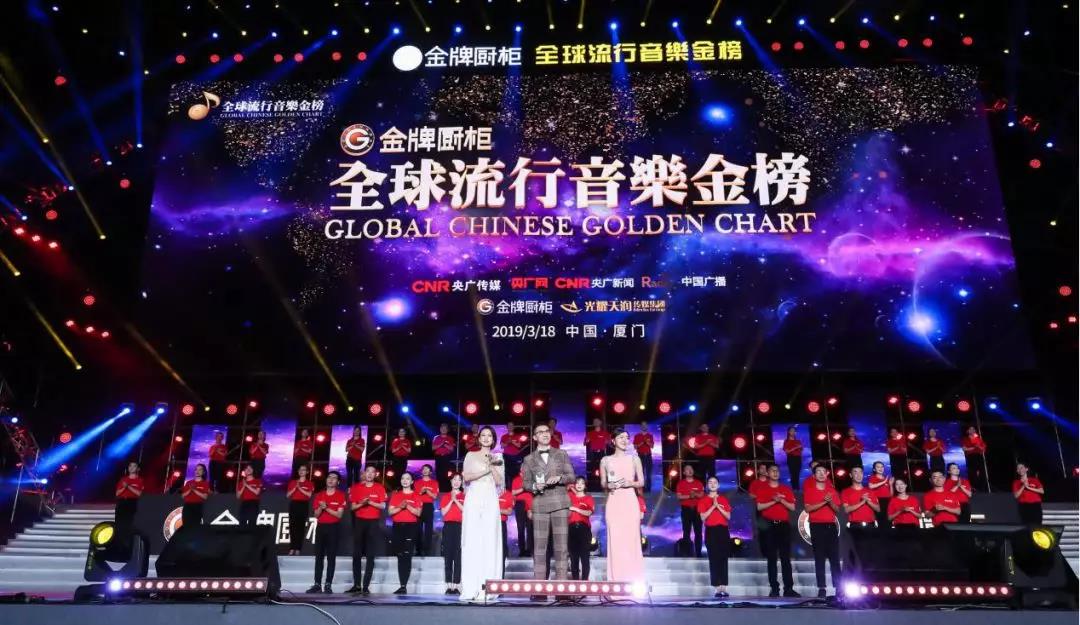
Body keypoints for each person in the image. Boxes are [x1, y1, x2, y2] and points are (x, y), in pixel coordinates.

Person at [521, 423, 575, 599]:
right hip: (540, 504)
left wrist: (559, 478)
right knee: (539, 548)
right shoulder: (528, 459)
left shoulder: (561, 454)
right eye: (540, 432)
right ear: (534, 437)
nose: (545, 434)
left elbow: (571, 476)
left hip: (560, 503)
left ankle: (562, 590)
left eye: (547, 431)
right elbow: (526, 484)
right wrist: (535, 486)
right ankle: (539, 589)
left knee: (561, 547)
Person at [460, 426, 505, 602]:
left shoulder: (498, 457)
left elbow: (499, 481)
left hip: (490, 497)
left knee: (489, 539)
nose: (486, 438)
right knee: (473, 539)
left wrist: (492, 465)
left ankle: (487, 587)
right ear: (479, 439)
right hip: (474, 496)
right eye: (483, 435)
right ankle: (470, 586)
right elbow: (466, 477)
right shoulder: (470, 455)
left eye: (489, 436)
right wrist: (486, 469)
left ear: (493, 440)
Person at [601, 429, 646, 583]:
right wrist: (608, 484)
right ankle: (615, 579)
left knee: (632, 539)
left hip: (630, 501)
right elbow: (603, 483)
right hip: (614, 501)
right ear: (613, 441)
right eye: (621, 437)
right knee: (615, 540)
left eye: (627, 437)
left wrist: (630, 483)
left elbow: (641, 481)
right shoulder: (605, 460)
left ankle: (634, 579)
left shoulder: (634, 459)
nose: (624, 440)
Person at [754, 464, 798, 597]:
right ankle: (774, 588)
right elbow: (759, 507)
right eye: (772, 471)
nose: (775, 473)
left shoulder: (785, 489)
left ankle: (788, 588)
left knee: (786, 558)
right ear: (767, 473)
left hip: (783, 526)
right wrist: (774, 501)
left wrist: (781, 500)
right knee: (772, 558)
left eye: (777, 471)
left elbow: (792, 507)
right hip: (769, 526)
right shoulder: (763, 489)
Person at [803, 464, 842, 598]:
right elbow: (808, 509)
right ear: (814, 475)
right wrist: (824, 502)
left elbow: (837, 510)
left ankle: (839, 588)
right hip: (816, 527)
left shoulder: (832, 491)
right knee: (819, 558)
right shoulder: (809, 491)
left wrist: (830, 502)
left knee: (834, 558)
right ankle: (822, 588)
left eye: (823, 472)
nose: (821, 474)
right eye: (818, 472)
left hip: (831, 527)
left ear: (826, 475)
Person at [347, 465, 386, 594]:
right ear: (364, 473)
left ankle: (365, 586)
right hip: (359, 522)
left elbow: (383, 506)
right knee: (356, 554)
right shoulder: (356, 488)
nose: (369, 474)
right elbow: (352, 507)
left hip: (373, 522)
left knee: (370, 554)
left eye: (372, 472)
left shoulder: (379, 488)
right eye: (367, 471)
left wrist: (370, 503)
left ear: (375, 475)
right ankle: (357, 584)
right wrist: (362, 504)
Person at [307, 471, 346, 594]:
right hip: (321, 528)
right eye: (329, 477)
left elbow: (339, 515)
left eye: (334, 478)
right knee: (319, 557)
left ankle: (328, 584)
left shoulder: (340, 495)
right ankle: (317, 584)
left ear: (338, 482)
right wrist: (320, 507)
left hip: (333, 528)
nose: (331, 480)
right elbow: (316, 515)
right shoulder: (319, 495)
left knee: (331, 557)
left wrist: (326, 508)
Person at [697, 475, 731, 598]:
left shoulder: (724, 499)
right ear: (707, 485)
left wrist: (718, 507)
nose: (712, 484)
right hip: (711, 531)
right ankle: (717, 588)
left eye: (715, 482)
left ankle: (724, 587)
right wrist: (713, 506)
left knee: (723, 558)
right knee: (714, 558)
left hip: (723, 531)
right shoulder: (703, 500)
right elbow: (703, 517)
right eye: (710, 482)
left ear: (718, 485)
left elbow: (728, 516)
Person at [388, 472, 422, 594]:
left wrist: (407, 506)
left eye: (408, 479)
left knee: (407, 555)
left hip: (411, 527)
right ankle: (402, 584)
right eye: (403, 478)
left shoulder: (416, 495)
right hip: (397, 527)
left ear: (412, 482)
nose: (405, 480)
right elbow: (390, 512)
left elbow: (418, 513)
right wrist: (400, 507)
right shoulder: (396, 495)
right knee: (400, 555)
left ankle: (403, 586)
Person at [440, 473, 466, 594]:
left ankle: (456, 585)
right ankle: (448, 585)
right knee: (448, 556)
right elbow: (443, 512)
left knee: (458, 556)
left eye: (459, 480)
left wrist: (456, 500)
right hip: (448, 527)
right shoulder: (446, 496)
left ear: (461, 482)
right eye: (454, 479)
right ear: (451, 482)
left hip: (460, 527)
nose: (456, 482)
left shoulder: (464, 496)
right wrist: (452, 500)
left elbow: (465, 511)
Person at [567, 476, 594, 581]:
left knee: (585, 557)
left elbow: (589, 512)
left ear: (585, 486)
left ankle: (585, 582)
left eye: (582, 483)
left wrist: (576, 509)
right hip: (571, 529)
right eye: (577, 483)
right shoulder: (570, 496)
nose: (579, 485)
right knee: (573, 558)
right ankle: (575, 583)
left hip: (584, 529)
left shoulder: (588, 498)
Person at [676, 464, 704, 557]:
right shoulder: (681, 483)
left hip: (697, 510)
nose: (690, 470)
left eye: (691, 469)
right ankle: (687, 553)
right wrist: (689, 496)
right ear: (684, 472)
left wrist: (695, 494)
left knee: (698, 532)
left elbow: (701, 495)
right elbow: (679, 496)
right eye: (687, 469)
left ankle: (699, 553)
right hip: (686, 510)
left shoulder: (698, 483)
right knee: (686, 531)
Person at [286, 465, 314, 555]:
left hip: (303, 505)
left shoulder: (309, 483)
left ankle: (298, 548)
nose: (301, 471)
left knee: (300, 527)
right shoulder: (293, 482)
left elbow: (309, 495)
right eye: (300, 470)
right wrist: (295, 488)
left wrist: (300, 488)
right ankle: (292, 548)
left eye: (303, 470)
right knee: (292, 526)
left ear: (307, 472)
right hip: (294, 505)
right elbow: (288, 495)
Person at [114, 461, 144, 538]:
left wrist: (128, 486)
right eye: (130, 466)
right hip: (122, 502)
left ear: (138, 469)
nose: (131, 468)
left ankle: (129, 540)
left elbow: (140, 494)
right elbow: (117, 493)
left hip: (133, 502)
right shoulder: (123, 479)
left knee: (130, 523)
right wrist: (124, 487)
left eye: (134, 466)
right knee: (119, 523)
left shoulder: (140, 480)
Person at [415, 465, 439, 556]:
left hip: (428, 506)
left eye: (427, 469)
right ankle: (418, 550)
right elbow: (415, 496)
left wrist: (427, 491)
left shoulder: (434, 483)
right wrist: (421, 492)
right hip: (419, 506)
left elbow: (435, 496)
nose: (425, 470)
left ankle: (427, 550)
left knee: (428, 529)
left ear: (430, 472)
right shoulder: (417, 483)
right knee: (418, 529)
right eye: (423, 469)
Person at [510, 473, 533, 556]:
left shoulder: (531, 479)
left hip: (530, 505)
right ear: (521, 471)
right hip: (520, 504)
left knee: (530, 528)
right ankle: (522, 550)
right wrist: (523, 489)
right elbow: (513, 492)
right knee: (520, 528)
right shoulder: (516, 480)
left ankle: (530, 550)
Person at [181, 464, 210, 529]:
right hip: (188, 506)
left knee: (196, 526)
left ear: (203, 472)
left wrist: (194, 490)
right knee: (186, 526)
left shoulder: (205, 483)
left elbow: (205, 497)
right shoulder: (189, 482)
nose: (197, 471)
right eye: (196, 469)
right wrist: (190, 489)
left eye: (200, 469)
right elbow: (183, 496)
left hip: (198, 506)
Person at [585, 418, 611, 482]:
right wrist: (587, 441)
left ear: (600, 423)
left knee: (602, 466)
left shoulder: (605, 433)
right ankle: (593, 481)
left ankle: (603, 480)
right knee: (593, 467)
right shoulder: (590, 433)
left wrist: (608, 442)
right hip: (592, 452)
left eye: (597, 421)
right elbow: (585, 443)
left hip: (602, 452)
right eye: (594, 421)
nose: (596, 422)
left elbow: (609, 443)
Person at [868, 461, 893, 527]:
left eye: (882, 467)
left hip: (888, 501)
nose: (880, 468)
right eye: (878, 467)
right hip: (878, 501)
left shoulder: (886, 478)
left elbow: (891, 494)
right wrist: (883, 482)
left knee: (889, 521)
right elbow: (870, 486)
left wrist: (891, 485)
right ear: (874, 469)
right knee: (881, 520)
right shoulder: (873, 477)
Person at [433, 423, 457, 490]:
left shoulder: (450, 438)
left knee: (447, 473)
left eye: (445, 428)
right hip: (438, 457)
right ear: (440, 429)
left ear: (447, 430)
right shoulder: (436, 437)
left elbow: (452, 449)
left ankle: (447, 489)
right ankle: (439, 489)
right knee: (439, 473)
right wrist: (442, 444)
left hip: (447, 457)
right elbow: (433, 448)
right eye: (442, 428)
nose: (443, 429)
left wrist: (444, 444)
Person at [633, 422, 655, 492]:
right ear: (641, 427)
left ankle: (648, 489)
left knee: (648, 473)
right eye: (643, 425)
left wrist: (647, 442)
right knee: (640, 473)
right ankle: (641, 488)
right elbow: (635, 447)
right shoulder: (637, 436)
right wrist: (642, 442)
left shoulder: (650, 435)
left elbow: (652, 446)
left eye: (645, 425)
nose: (644, 426)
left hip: (648, 455)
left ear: (647, 427)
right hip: (640, 456)